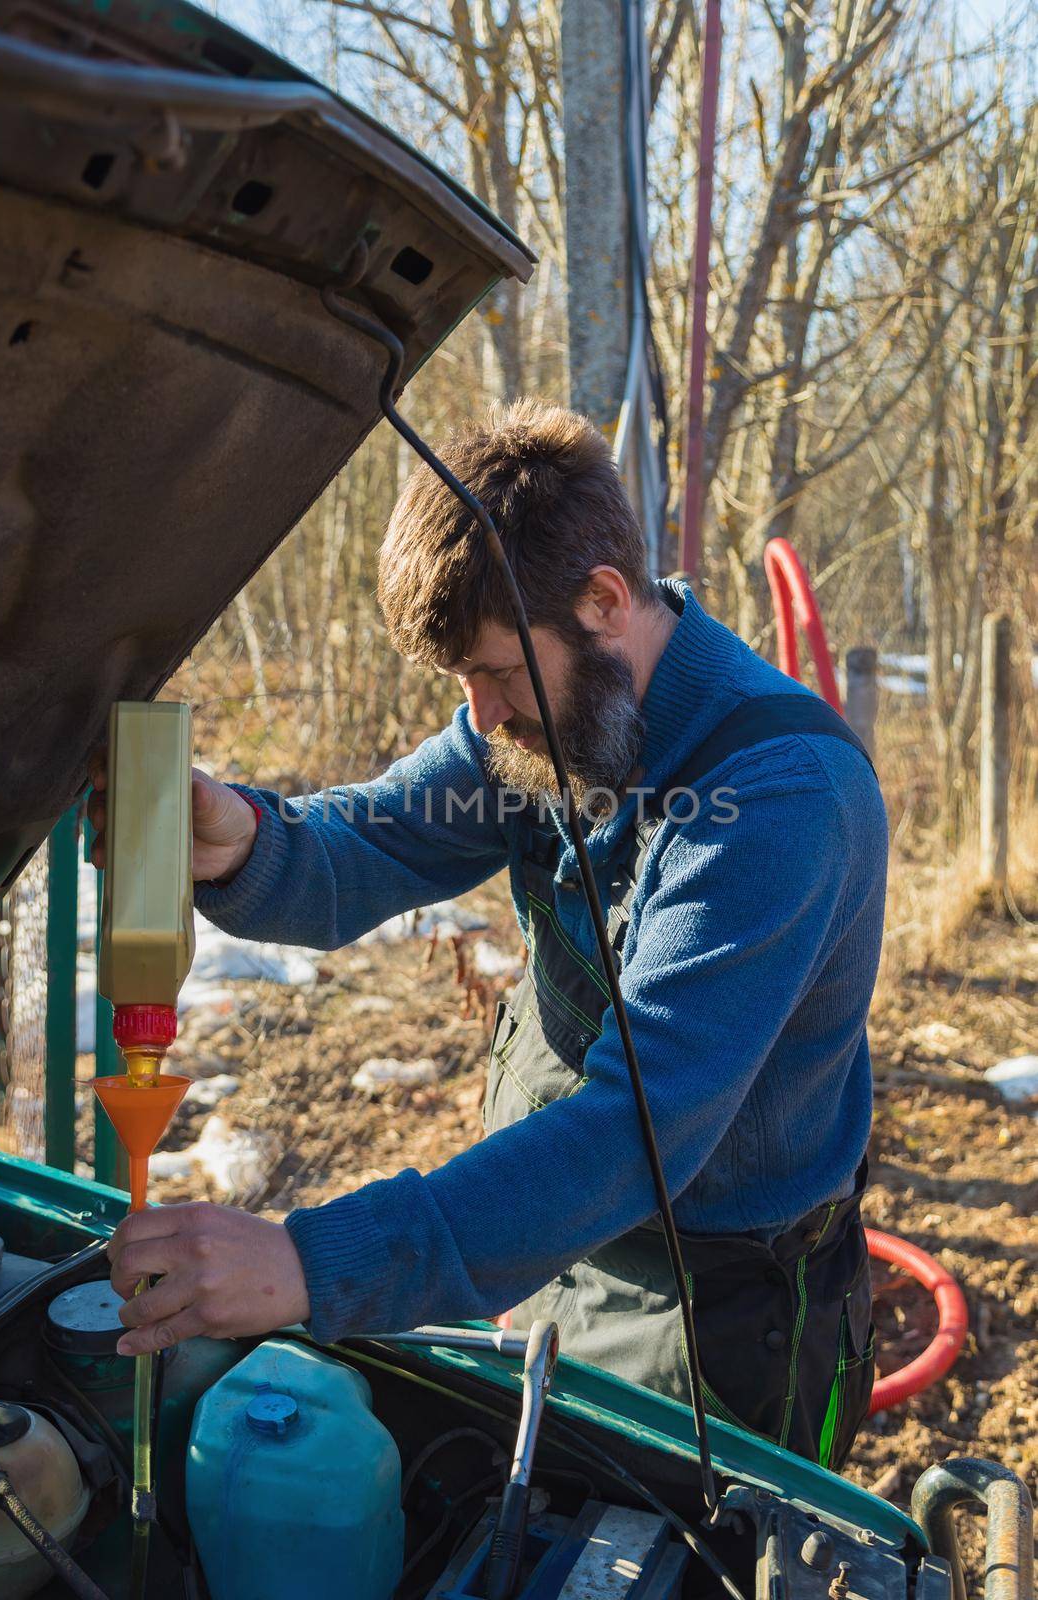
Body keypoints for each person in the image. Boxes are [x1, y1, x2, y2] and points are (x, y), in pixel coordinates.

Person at [92, 400, 887, 1469]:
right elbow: (375, 837)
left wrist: (312, 1263)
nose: (480, 716)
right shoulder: (542, 710)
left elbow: (633, 1131)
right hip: (538, 1231)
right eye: (462, 682)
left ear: (604, 600)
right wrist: (240, 843)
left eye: (496, 675)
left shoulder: (780, 797)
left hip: (711, 1303)